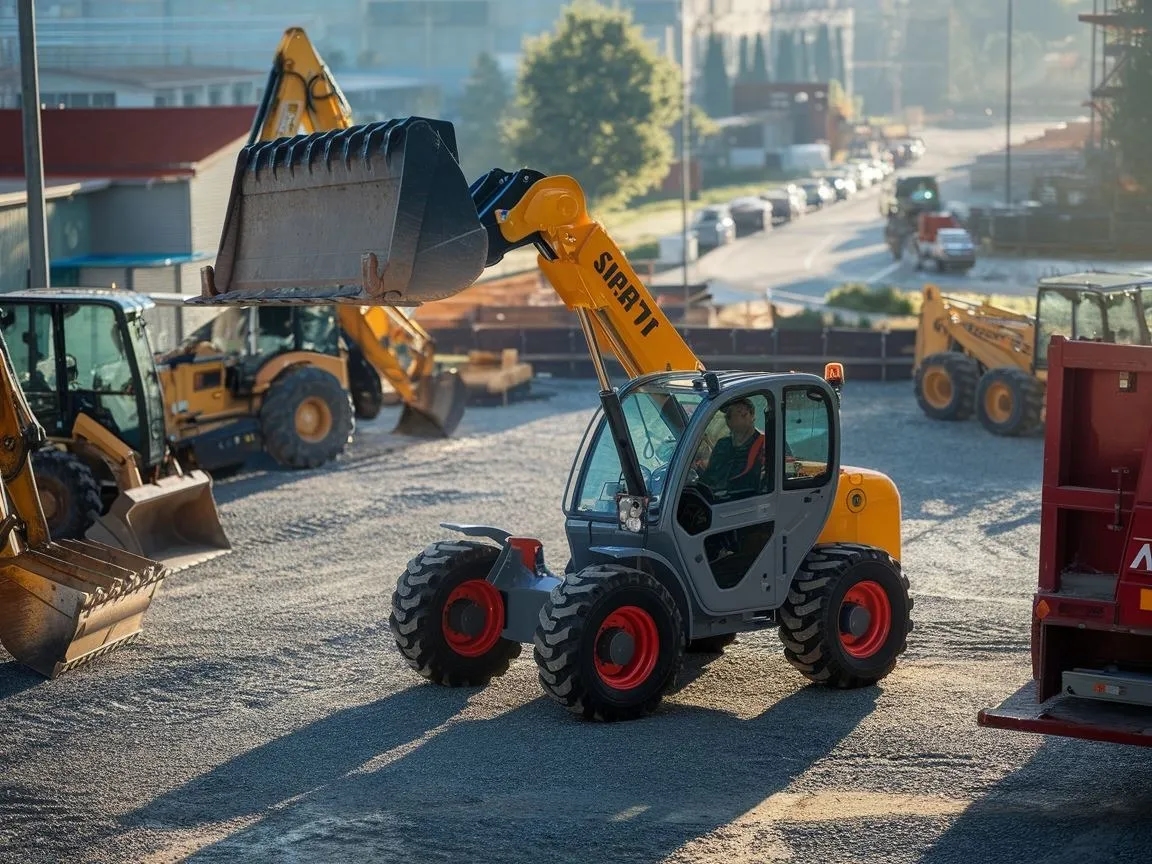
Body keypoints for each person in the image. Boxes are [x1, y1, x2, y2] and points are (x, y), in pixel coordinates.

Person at [696, 397, 766, 498]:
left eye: (742, 412)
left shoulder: (767, 443)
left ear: (751, 416)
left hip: (749, 502)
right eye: (727, 414)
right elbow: (709, 479)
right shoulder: (722, 445)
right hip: (717, 501)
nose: (727, 417)